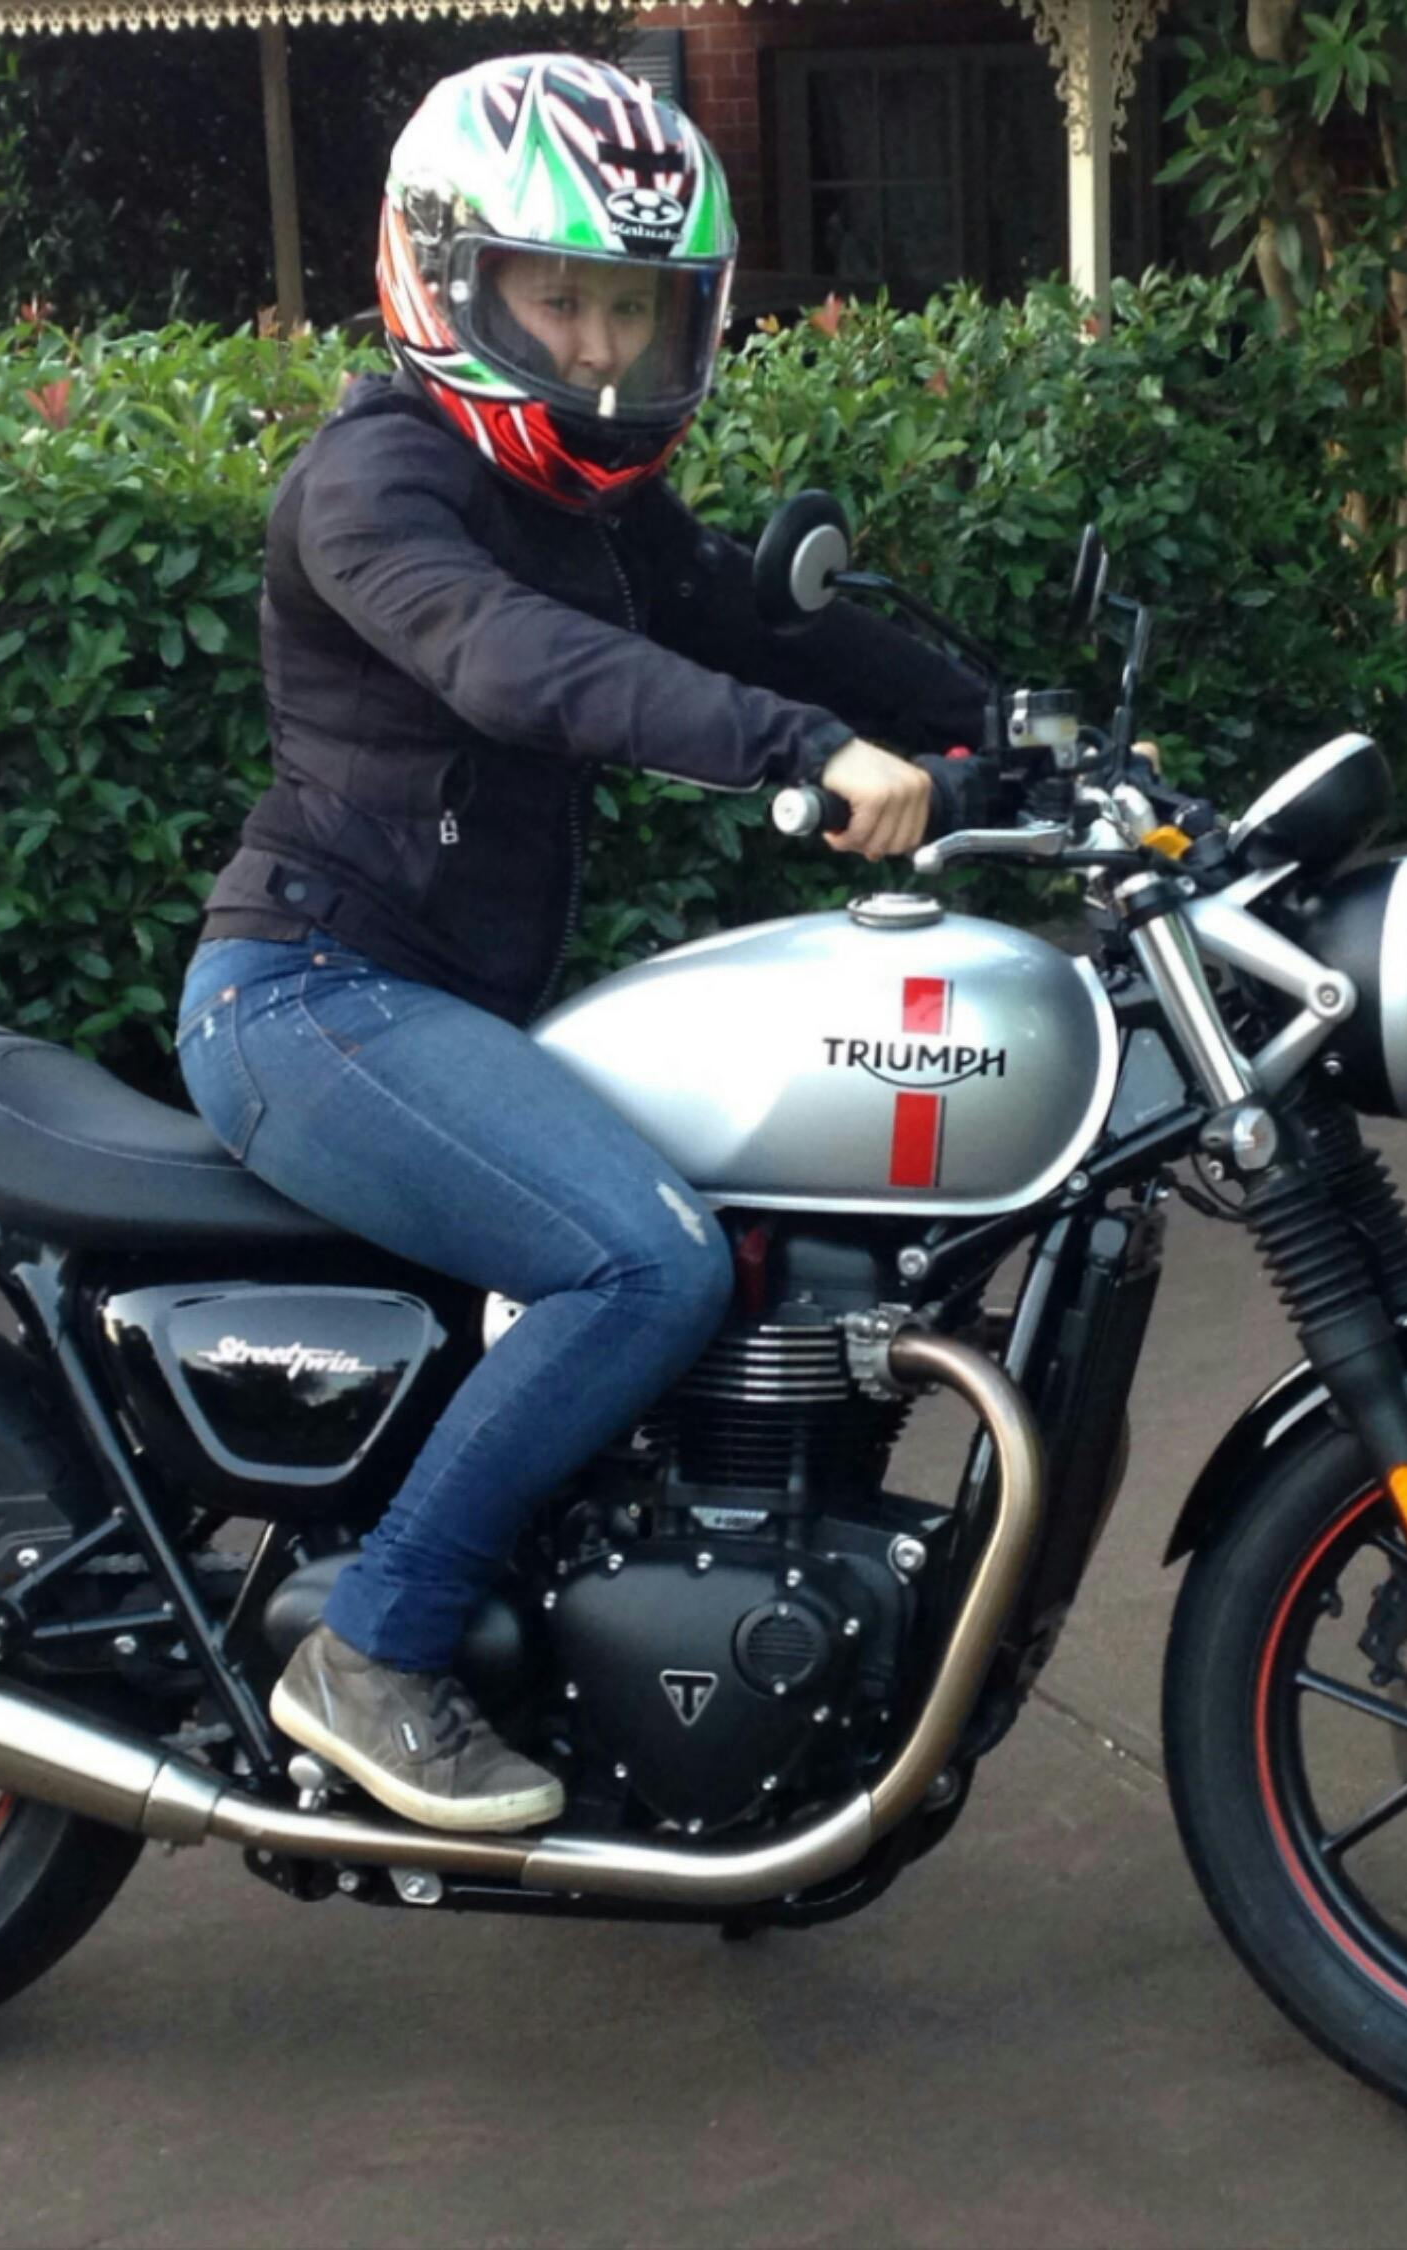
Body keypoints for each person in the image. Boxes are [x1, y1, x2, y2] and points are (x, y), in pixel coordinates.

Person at [178, 53, 987, 1834]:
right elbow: (507, 660)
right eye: (565, 299)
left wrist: (995, 723)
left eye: (638, 309)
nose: (608, 352)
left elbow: (760, 633)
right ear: (451, 279)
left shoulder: (591, 508)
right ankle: (372, 1650)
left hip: (436, 1007)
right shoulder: (373, 484)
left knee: (735, 1244)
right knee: (649, 1267)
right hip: (312, 993)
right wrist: (795, 756)